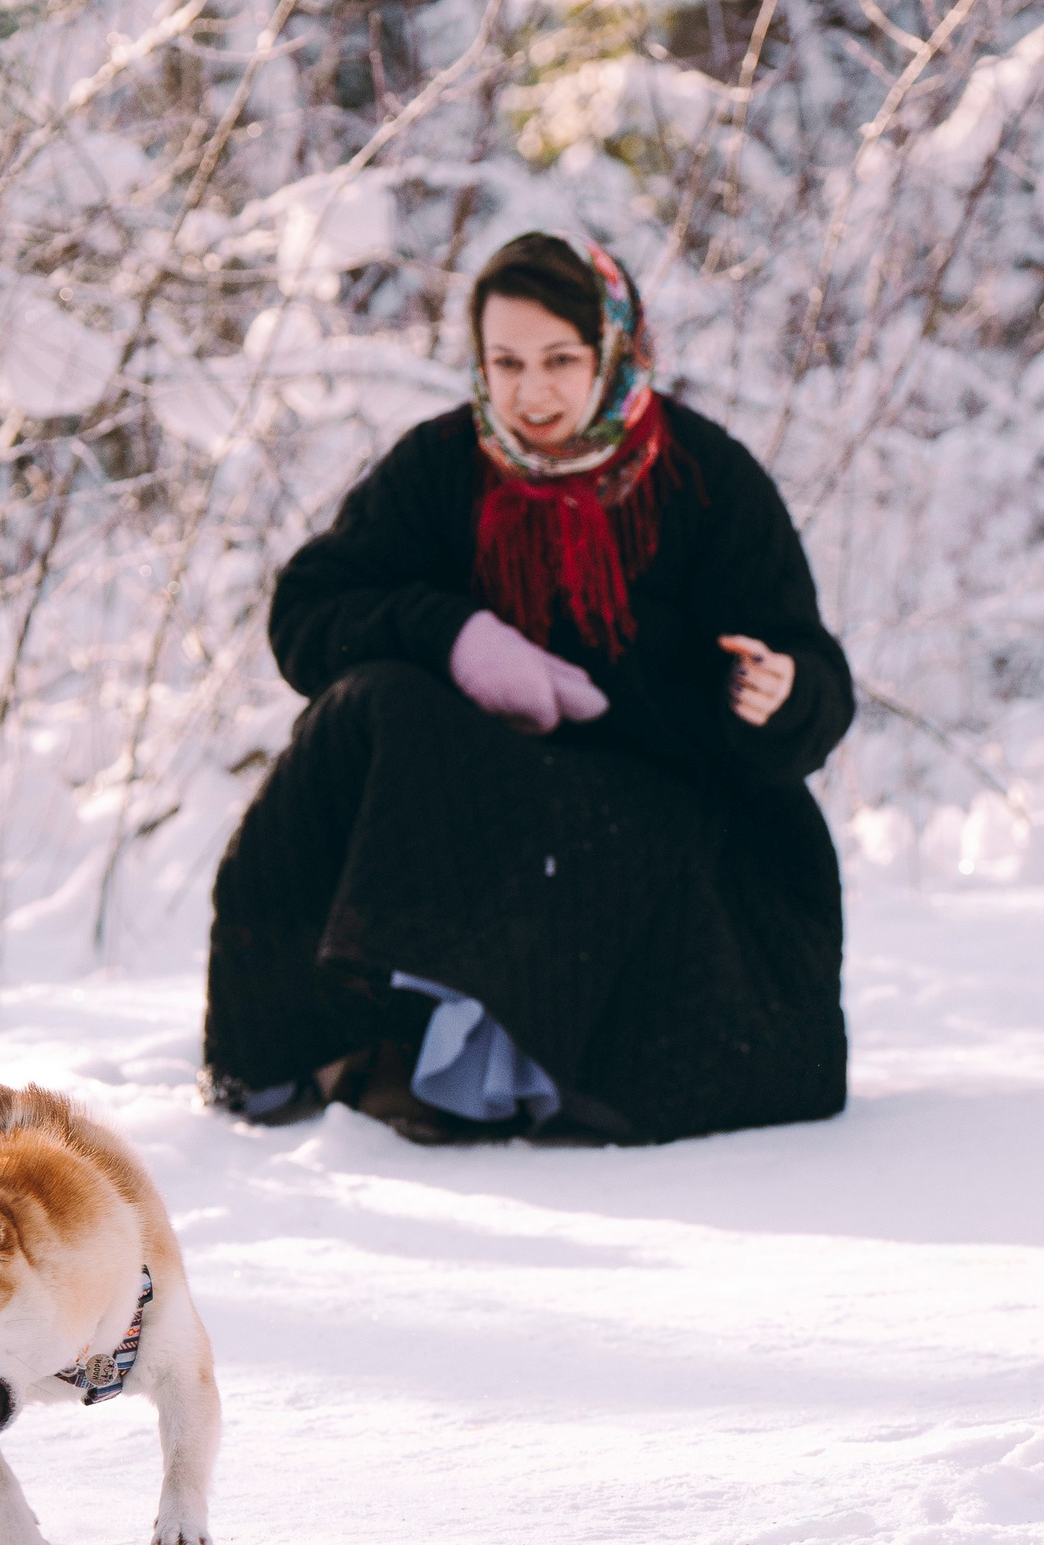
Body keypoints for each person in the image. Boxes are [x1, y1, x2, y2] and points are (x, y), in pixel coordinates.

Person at [199, 231, 854, 1144]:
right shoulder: (443, 463)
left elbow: (810, 669)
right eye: (505, 363)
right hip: (480, 807)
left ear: (612, 353)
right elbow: (310, 612)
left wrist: (784, 694)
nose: (531, 393)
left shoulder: (704, 475)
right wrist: (453, 637)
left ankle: (493, 1072)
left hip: (667, 812)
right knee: (368, 705)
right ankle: (346, 1041)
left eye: (560, 360)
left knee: (612, 851)